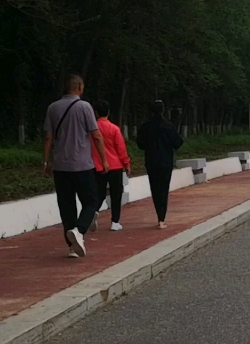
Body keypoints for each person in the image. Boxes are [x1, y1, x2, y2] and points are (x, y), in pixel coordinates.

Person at [43, 74, 109, 258]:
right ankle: (79, 231)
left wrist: (46, 161)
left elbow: (48, 137)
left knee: (66, 206)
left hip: (60, 167)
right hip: (82, 165)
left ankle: (72, 247)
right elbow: (96, 135)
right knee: (91, 201)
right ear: (79, 87)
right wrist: (104, 160)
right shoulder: (84, 106)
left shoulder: (53, 108)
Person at [137, 100, 183, 229]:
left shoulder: (145, 126)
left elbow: (140, 144)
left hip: (151, 161)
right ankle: (162, 218)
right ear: (163, 110)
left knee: (155, 188)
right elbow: (178, 143)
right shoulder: (169, 126)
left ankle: (159, 214)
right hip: (166, 162)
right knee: (164, 188)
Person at [91, 100, 131, 231]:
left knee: (99, 193)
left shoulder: (91, 129)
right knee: (116, 194)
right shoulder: (114, 129)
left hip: (97, 166)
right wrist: (126, 163)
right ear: (108, 112)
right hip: (115, 166)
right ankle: (115, 222)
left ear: (96, 113)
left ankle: (93, 211)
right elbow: (121, 148)